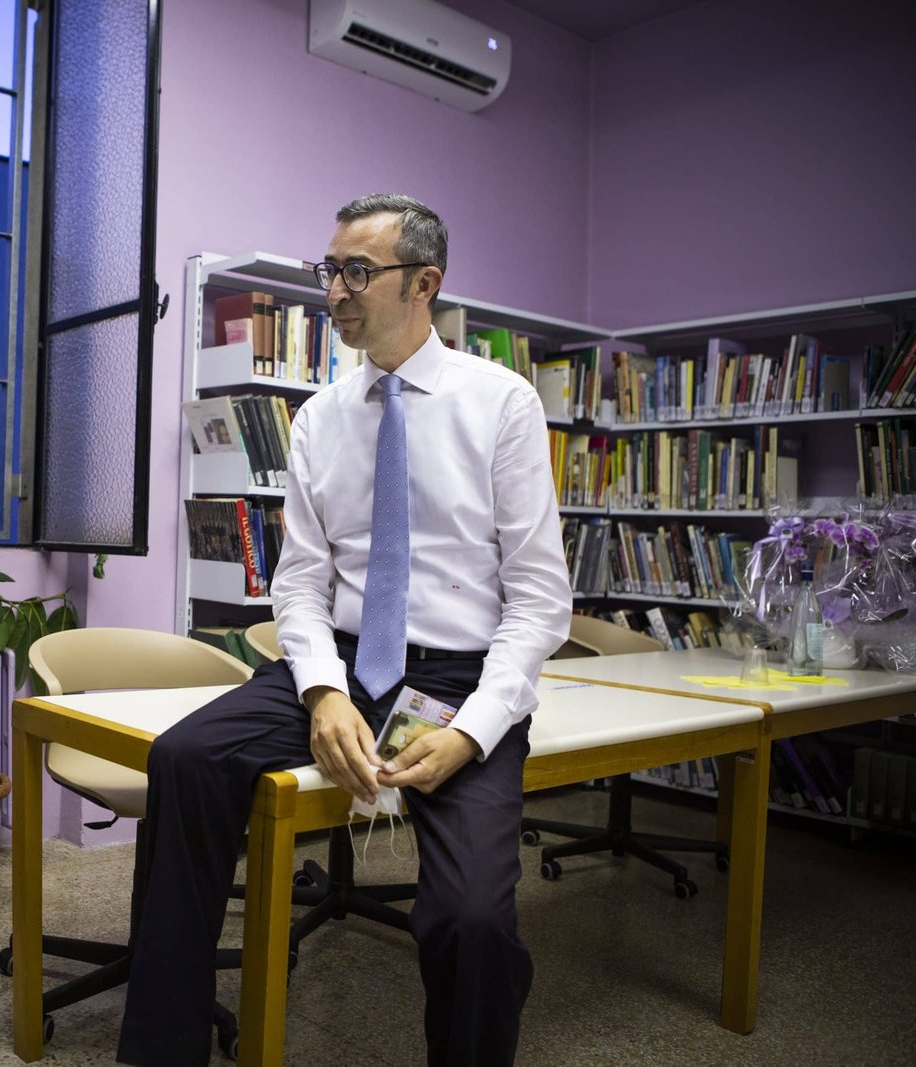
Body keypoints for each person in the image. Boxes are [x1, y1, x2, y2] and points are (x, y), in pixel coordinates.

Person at [118, 195, 572, 1066]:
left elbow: (541, 598)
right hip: (345, 662)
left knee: (472, 918)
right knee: (184, 758)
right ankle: (162, 1048)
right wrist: (323, 690)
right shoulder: (322, 417)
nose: (334, 291)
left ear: (424, 284)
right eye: (330, 270)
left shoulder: (502, 404)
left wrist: (473, 730)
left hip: (459, 680)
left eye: (357, 272)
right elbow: (299, 583)